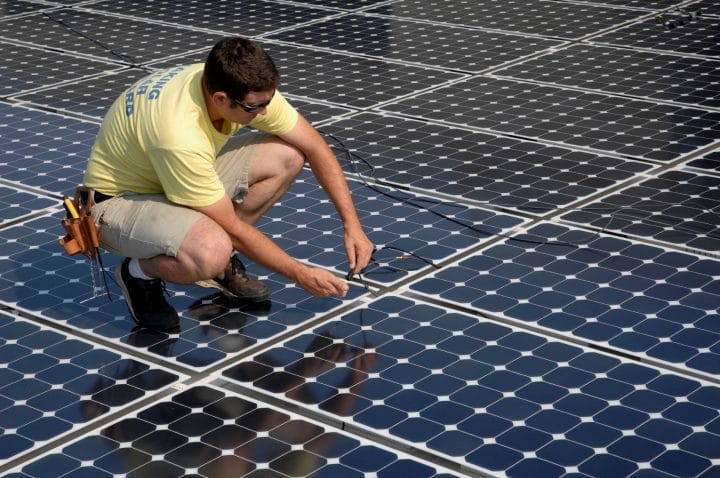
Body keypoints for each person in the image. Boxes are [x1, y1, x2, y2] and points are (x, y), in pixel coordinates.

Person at [82, 36, 374, 331]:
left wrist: (352, 225)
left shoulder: (237, 83)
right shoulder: (179, 135)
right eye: (254, 108)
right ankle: (137, 274)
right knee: (212, 249)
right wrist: (300, 274)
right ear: (220, 99)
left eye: (268, 102)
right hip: (117, 203)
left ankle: (215, 259)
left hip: (169, 178)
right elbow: (234, 229)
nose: (263, 113)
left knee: (288, 155)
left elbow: (315, 147)